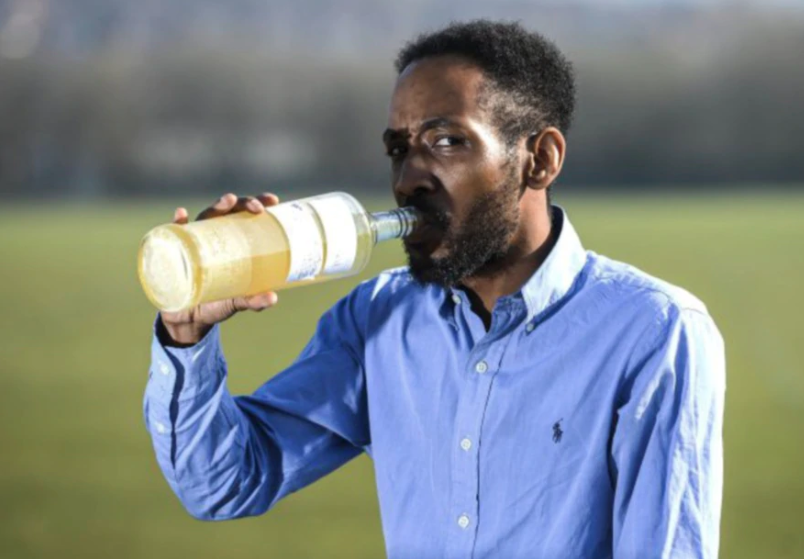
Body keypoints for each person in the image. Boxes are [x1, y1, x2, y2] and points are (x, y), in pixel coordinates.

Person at [144, 20, 725, 559]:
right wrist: (186, 333)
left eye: (446, 142)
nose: (407, 180)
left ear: (540, 160)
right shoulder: (376, 318)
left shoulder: (651, 332)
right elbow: (224, 483)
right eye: (399, 149)